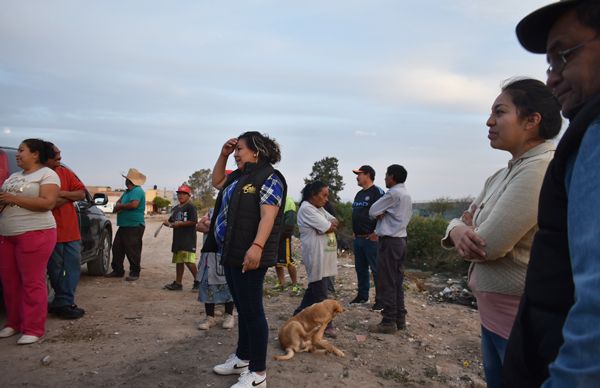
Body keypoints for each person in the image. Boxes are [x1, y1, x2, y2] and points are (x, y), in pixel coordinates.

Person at [503, 1, 600, 386]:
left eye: (564, 55)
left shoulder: (593, 134)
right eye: (549, 63)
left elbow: (490, 241)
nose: (552, 78)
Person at [440, 79, 561, 388]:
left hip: (518, 319)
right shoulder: (503, 174)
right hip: (494, 316)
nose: (489, 121)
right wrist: (457, 228)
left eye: (500, 112)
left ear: (532, 121)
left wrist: (467, 228)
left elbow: (487, 245)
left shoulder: (540, 169)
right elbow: (462, 222)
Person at [203, 131, 286, 388]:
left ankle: (258, 374)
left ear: (256, 151)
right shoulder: (240, 176)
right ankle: (242, 358)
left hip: (250, 253)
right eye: (235, 149)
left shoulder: (269, 177)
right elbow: (217, 181)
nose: (236, 153)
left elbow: (268, 216)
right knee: (242, 307)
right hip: (231, 251)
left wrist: (257, 246)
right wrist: (223, 154)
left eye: (240, 149)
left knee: (253, 312)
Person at [0, 139, 59, 345]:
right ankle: (14, 323)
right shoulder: (14, 176)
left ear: (35, 154)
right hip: (7, 235)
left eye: (21, 150)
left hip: (36, 233)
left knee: (32, 282)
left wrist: (12, 199)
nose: (17, 154)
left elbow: (47, 203)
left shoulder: (48, 174)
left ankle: (33, 328)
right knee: (10, 281)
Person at [368, 164, 412, 334]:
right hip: (401, 240)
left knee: (387, 281)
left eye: (386, 175)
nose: (385, 178)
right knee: (397, 282)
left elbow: (372, 210)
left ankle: (388, 321)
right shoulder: (406, 193)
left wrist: (381, 212)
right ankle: (400, 319)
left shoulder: (393, 193)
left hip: (390, 242)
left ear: (392, 177)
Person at [45, 142, 88, 320]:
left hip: (70, 232)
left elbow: (81, 193)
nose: (60, 157)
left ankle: (64, 302)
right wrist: (66, 195)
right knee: (54, 270)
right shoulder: (41, 176)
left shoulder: (64, 172)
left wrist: (61, 194)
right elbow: (48, 203)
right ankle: (62, 302)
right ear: (45, 156)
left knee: (71, 268)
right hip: (50, 231)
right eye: (56, 154)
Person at [293, 182, 339, 337]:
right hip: (315, 255)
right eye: (324, 195)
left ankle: (299, 313)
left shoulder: (317, 208)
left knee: (315, 287)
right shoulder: (306, 208)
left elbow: (334, 221)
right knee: (321, 292)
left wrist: (329, 225)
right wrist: (328, 225)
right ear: (313, 194)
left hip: (324, 254)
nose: (326, 199)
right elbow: (328, 227)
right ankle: (327, 324)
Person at [350, 165, 385, 310]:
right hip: (358, 238)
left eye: (359, 174)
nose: (357, 177)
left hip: (372, 240)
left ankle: (381, 300)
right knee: (360, 268)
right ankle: (362, 296)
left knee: (376, 270)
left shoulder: (378, 192)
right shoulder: (358, 194)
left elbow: (384, 214)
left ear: (368, 175)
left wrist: (377, 232)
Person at [196, 208, 235, 330]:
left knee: (227, 286)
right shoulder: (212, 211)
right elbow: (199, 226)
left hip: (224, 255)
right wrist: (213, 226)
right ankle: (209, 317)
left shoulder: (233, 210)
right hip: (208, 255)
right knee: (206, 285)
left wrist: (209, 225)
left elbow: (230, 231)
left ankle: (229, 315)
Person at [106, 168, 146, 281]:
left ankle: (135, 271)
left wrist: (120, 206)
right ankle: (118, 270)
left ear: (130, 180)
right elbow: (118, 202)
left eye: (127, 179)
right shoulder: (127, 192)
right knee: (117, 248)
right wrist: (119, 205)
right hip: (125, 225)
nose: (126, 181)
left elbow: (134, 205)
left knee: (132, 249)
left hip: (134, 225)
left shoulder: (137, 190)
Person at [163, 184, 199, 291]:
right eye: (179, 194)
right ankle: (178, 283)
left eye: (184, 194)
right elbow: (171, 221)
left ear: (189, 195)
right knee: (179, 261)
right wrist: (167, 223)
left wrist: (179, 224)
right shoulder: (175, 208)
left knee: (188, 261)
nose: (181, 196)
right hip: (178, 239)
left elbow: (193, 221)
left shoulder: (191, 207)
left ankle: (198, 281)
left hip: (188, 239)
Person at [275, 195, 298, 287]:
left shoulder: (289, 202)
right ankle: (281, 283)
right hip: (275, 236)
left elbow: (290, 224)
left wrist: (283, 235)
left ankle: (294, 284)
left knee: (288, 261)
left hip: (284, 237)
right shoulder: (275, 199)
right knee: (276, 260)